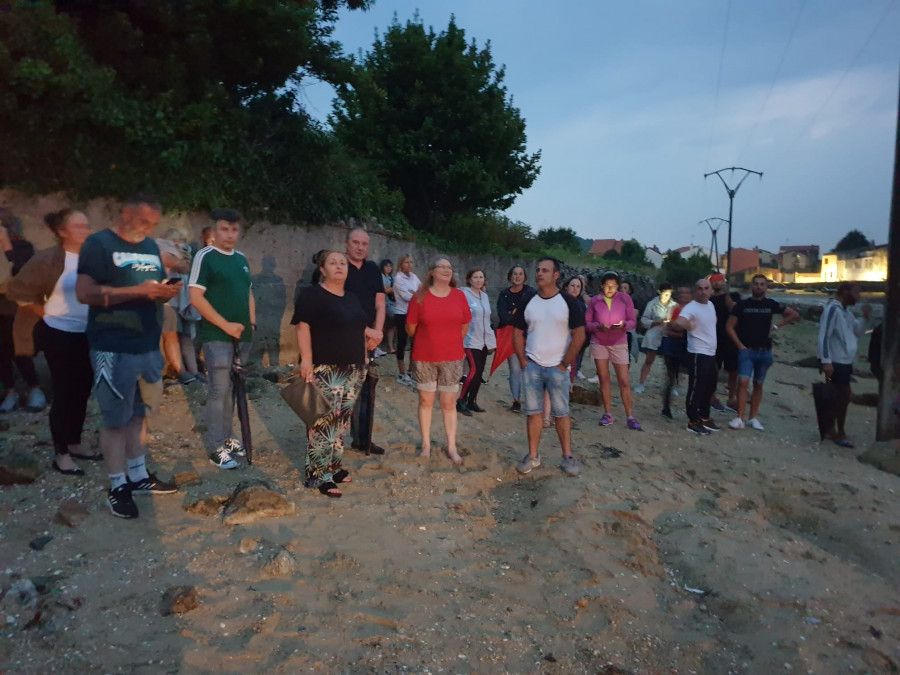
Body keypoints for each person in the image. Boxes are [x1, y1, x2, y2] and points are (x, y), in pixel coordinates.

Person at [76, 192, 181, 519]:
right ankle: (117, 484)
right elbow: (84, 293)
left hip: (146, 346)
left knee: (139, 415)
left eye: (152, 223)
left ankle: (138, 476)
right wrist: (138, 291)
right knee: (115, 419)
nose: (148, 228)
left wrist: (163, 292)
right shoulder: (99, 244)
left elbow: (147, 290)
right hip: (113, 344)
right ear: (124, 214)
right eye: (142, 222)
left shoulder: (150, 246)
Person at [7, 209, 94, 475]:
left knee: (83, 389)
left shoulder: (94, 258)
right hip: (58, 332)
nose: (84, 231)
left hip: (88, 332)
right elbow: (17, 290)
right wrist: (41, 310)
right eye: (77, 226)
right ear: (62, 231)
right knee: (65, 391)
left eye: (86, 226)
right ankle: (61, 454)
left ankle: (75, 442)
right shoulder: (48, 259)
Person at [292, 251, 373, 497]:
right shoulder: (312, 295)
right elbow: (302, 326)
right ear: (323, 269)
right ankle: (318, 475)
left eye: (342, 263)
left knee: (342, 422)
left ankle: (334, 466)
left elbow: (359, 329)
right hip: (326, 367)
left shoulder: (352, 297)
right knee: (323, 422)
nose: (339, 266)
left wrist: (365, 357)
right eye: (333, 263)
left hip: (354, 368)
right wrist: (306, 360)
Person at [188, 209, 256, 470]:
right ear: (214, 232)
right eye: (224, 229)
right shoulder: (205, 257)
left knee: (233, 388)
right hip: (217, 335)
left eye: (234, 230)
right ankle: (216, 446)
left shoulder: (241, 259)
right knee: (218, 390)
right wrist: (224, 324)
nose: (229, 234)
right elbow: (195, 297)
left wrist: (251, 321)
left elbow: (248, 293)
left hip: (242, 335)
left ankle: (228, 439)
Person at [513, 257, 585, 476]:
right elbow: (516, 333)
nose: (539, 273)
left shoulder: (568, 302)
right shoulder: (528, 300)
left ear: (556, 275)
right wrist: (524, 361)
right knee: (533, 412)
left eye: (545, 270)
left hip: (557, 367)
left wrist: (564, 363)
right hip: (533, 366)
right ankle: (533, 455)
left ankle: (567, 456)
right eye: (537, 270)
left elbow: (580, 335)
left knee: (561, 413)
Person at [406, 257, 471, 464]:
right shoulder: (419, 297)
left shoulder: (459, 296)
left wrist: (449, 343)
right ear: (432, 271)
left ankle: (451, 446)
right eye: (441, 266)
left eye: (449, 267)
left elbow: (464, 325)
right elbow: (411, 328)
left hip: (452, 358)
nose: (446, 270)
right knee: (426, 401)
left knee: (448, 402)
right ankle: (426, 445)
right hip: (425, 357)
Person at [726, 274, 799, 431]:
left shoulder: (771, 304)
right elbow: (729, 326)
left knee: (758, 384)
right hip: (747, 350)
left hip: (765, 351)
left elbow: (793, 314)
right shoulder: (742, 305)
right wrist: (739, 345)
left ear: (766, 287)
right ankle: (739, 417)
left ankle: (753, 417)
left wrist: (777, 327)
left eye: (762, 284)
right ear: (751, 286)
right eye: (756, 284)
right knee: (743, 382)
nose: (759, 287)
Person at [344, 227, 386, 455]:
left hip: (370, 339)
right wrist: (366, 332)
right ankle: (334, 440)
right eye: (356, 242)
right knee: (343, 390)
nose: (360, 247)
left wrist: (377, 334)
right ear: (346, 243)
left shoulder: (372, 270)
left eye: (364, 244)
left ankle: (362, 439)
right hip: (345, 336)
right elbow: (338, 305)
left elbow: (380, 303)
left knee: (365, 389)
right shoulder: (339, 267)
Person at [0, 211, 45, 413]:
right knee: (1, 353)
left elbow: (21, 273)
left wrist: (6, 245)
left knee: (19, 350)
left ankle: (34, 388)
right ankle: (10, 391)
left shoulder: (23, 248)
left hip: (15, 310)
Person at [817, 282, 871, 448]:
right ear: (845, 292)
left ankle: (831, 428)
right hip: (836, 361)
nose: (858, 296)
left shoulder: (846, 311)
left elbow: (858, 332)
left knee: (840, 397)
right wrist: (826, 361)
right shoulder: (833, 309)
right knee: (843, 396)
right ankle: (838, 431)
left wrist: (865, 318)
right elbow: (824, 335)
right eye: (856, 292)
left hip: (845, 362)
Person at [585, 273, 642, 430]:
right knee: (604, 378)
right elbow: (587, 323)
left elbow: (632, 321)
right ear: (602, 286)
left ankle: (629, 415)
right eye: (607, 285)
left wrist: (623, 325)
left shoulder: (625, 299)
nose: (610, 289)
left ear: (618, 286)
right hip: (599, 342)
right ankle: (607, 413)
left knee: (624, 380)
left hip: (619, 341)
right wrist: (597, 326)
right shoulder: (595, 301)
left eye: (613, 286)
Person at [671, 278, 719, 435]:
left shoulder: (710, 305)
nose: (703, 291)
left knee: (710, 386)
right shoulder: (691, 307)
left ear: (711, 290)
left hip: (711, 353)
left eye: (706, 288)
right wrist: (687, 325)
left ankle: (705, 417)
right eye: (700, 288)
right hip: (698, 353)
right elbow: (678, 323)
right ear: (695, 291)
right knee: (696, 388)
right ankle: (692, 421)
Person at [497, 265, 535, 412]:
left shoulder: (532, 293)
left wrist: (514, 314)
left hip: (531, 336)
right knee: (515, 368)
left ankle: (532, 400)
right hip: (511, 337)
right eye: (515, 274)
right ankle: (516, 400)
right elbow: (504, 317)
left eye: (520, 274)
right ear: (510, 276)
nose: (518, 276)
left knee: (531, 369)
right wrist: (520, 315)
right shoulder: (504, 294)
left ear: (525, 277)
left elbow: (533, 315)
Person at [458, 268, 496, 415]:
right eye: (475, 277)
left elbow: (487, 320)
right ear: (470, 279)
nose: (479, 280)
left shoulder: (484, 296)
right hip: (470, 339)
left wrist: (492, 342)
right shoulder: (464, 294)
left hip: (484, 340)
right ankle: (460, 400)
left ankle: (471, 401)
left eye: (481, 277)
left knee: (479, 373)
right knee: (473, 371)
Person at [635, 282, 676, 393]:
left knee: (670, 362)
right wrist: (656, 322)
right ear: (660, 292)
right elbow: (644, 320)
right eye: (665, 294)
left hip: (667, 335)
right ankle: (641, 383)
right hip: (654, 334)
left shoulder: (674, 305)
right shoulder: (652, 304)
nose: (668, 296)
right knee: (649, 360)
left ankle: (672, 386)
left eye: (669, 294)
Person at [659, 285, 692, 420]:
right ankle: (666, 406)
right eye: (681, 293)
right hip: (674, 344)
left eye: (686, 293)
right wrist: (682, 331)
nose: (684, 296)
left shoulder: (691, 309)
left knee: (687, 377)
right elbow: (668, 328)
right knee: (671, 376)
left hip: (685, 344)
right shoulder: (674, 309)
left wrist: (678, 328)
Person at [709, 273, 740, 412]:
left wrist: (726, 294)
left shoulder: (733, 296)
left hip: (730, 337)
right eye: (714, 281)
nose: (716, 284)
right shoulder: (709, 299)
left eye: (719, 281)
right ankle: (712, 397)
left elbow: (735, 309)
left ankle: (731, 398)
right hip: (714, 337)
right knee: (714, 368)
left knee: (733, 370)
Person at [392, 255, 421, 385]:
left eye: (411, 262)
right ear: (401, 264)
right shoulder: (398, 278)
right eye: (406, 262)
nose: (409, 264)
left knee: (415, 344)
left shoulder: (414, 277)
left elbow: (422, 291)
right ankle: (402, 373)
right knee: (402, 343)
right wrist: (416, 294)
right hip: (402, 313)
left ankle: (410, 371)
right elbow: (406, 297)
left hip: (414, 314)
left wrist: (414, 293)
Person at [562, 275, 588, 383]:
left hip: (572, 342)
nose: (575, 288)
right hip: (556, 340)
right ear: (566, 287)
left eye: (578, 286)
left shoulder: (581, 306)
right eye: (572, 285)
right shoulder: (558, 301)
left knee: (568, 372)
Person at [378, 259, 396, 357]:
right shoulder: (381, 277)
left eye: (390, 266)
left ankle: (390, 347)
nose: (389, 268)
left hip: (392, 303)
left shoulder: (392, 278)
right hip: (383, 304)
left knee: (392, 325)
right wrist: (394, 288)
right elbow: (384, 289)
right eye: (386, 266)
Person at [619, 280, 640, 363]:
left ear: (629, 291)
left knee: (625, 355)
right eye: (621, 287)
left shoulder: (634, 302)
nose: (622, 289)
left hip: (627, 332)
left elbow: (634, 315)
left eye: (625, 288)